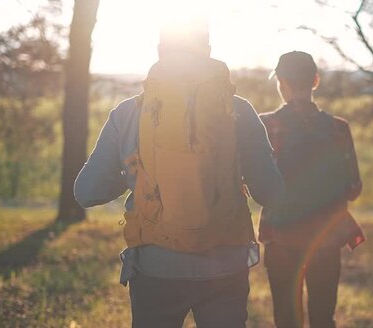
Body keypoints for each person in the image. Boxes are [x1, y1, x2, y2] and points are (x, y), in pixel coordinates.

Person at [74, 19, 284, 328]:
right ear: (209, 52)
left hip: (155, 266)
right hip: (225, 265)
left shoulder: (128, 113)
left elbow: (86, 192)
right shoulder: (240, 111)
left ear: (160, 52)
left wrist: (136, 170)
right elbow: (271, 193)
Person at [259, 51, 365, 328]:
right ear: (315, 80)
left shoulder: (265, 126)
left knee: (287, 319)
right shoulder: (339, 129)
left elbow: (256, 185)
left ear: (281, 82)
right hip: (326, 239)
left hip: (279, 238)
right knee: (323, 317)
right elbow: (354, 188)